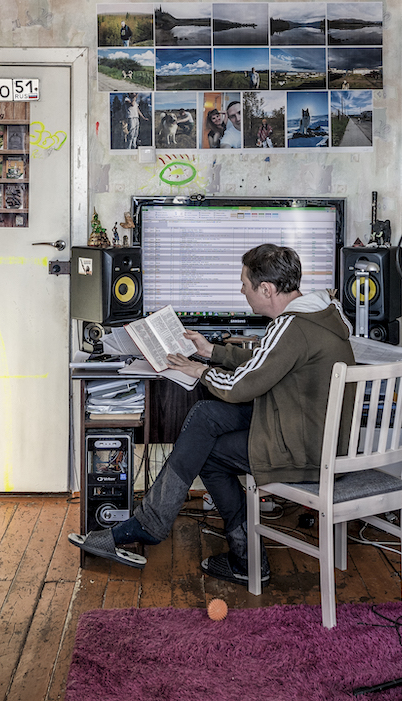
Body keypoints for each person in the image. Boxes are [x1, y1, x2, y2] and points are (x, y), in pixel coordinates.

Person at [67, 244, 355, 583]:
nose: (241, 289)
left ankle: (245, 560)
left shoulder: (291, 326)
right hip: (304, 427)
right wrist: (211, 351)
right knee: (205, 415)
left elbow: (240, 387)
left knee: (208, 453)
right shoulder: (322, 313)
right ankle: (151, 523)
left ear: (267, 289)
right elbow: (266, 363)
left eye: (244, 283)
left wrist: (197, 370)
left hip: (303, 450)